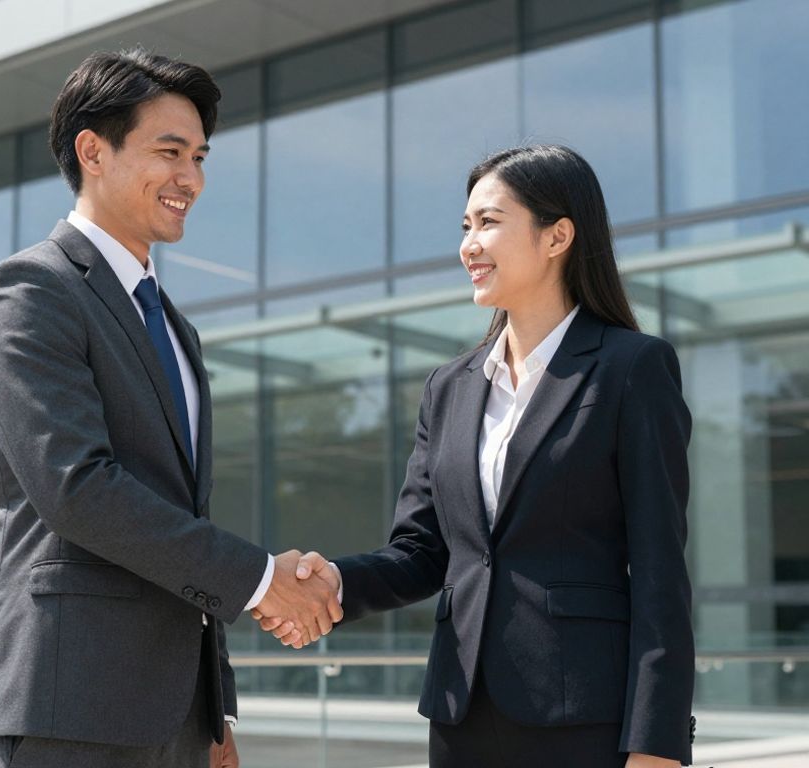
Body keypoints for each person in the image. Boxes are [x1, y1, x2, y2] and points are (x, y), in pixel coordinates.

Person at [0, 48, 341, 768]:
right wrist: (263, 581)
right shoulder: (29, 291)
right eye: (169, 152)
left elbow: (176, 517)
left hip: (174, 719)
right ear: (92, 152)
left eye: (199, 157)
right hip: (66, 708)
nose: (190, 179)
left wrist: (211, 709)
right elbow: (79, 490)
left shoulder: (170, 323)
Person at [256, 145, 695, 767]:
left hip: (583, 718)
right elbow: (423, 551)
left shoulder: (630, 369)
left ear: (557, 236)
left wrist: (657, 744)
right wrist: (334, 583)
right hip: (461, 713)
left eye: (488, 222)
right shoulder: (450, 386)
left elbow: (660, 574)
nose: (469, 244)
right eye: (466, 227)